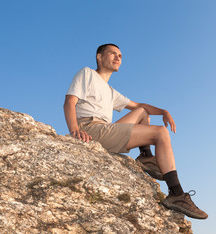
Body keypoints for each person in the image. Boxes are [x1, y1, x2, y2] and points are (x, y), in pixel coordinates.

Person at [63, 43, 208, 220]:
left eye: (120, 56)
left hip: (105, 129)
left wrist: (164, 111)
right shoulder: (87, 73)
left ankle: (146, 156)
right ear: (99, 58)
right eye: (113, 54)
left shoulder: (110, 91)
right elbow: (70, 101)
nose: (118, 58)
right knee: (161, 133)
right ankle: (177, 194)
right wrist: (75, 130)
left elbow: (139, 106)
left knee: (142, 112)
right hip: (92, 128)